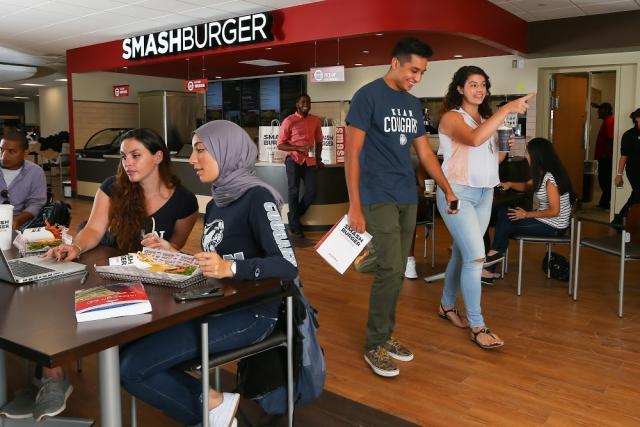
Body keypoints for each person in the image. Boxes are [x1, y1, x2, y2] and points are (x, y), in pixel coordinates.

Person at [119, 120, 299, 427]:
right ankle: (215, 405)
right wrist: (174, 254)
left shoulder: (258, 197)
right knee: (125, 348)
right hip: (216, 304)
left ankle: (214, 413)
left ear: (226, 152)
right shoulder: (217, 202)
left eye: (201, 150)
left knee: (132, 368)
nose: (191, 159)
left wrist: (231, 268)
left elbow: (287, 265)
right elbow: (214, 261)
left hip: (251, 315)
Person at [21, 128, 199, 422]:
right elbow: (93, 229)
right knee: (61, 306)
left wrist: (164, 248)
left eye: (135, 155)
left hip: (151, 284)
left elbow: (176, 248)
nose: (127, 163)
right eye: (124, 156)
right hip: (105, 271)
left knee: (127, 342)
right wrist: (75, 247)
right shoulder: (113, 187)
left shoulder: (185, 202)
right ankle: (53, 375)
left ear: (158, 157)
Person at [345, 37, 458, 378]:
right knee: (392, 269)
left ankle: (385, 332)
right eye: (413, 70)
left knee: (394, 266)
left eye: (422, 72)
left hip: (405, 195)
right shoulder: (367, 97)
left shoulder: (411, 104)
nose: (417, 77)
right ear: (395, 62)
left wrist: (447, 188)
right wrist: (354, 206)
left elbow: (424, 152)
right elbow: (352, 154)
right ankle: (374, 344)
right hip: (375, 193)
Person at [436, 65, 532, 349]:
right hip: (457, 193)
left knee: (464, 253)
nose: (480, 90)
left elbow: (493, 160)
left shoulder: (486, 118)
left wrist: (504, 146)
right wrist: (508, 109)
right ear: (460, 89)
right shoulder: (452, 118)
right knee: (477, 257)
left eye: (483, 85)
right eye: (473, 84)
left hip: (484, 193)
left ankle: (446, 305)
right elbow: (474, 139)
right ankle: (478, 326)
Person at [483, 137, 573, 280]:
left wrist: (526, 214)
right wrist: (510, 184)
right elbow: (527, 186)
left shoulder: (550, 178)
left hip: (555, 226)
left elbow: (555, 211)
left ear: (537, 155)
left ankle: (489, 262)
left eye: (527, 152)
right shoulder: (542, 173)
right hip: (547, 221)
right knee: (505, 215)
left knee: (505, 218)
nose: (525, 155)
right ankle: (490, 263)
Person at [277, 93, 323, 239]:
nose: (306, 104)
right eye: (303, 102)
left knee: (311, 191)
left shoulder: (315, 120)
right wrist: (297, 148)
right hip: (293, 160)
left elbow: (319, 141)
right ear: (297, 104)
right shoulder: (288, 121)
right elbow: (280, 144)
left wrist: (319, 158)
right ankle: (295, 226)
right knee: (294, 191)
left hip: (309, 161)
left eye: (308, 102)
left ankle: (293, 216)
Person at [0, 131, 47, 230]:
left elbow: (36, 203)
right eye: (1, 150)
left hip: (22, 224)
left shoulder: (35, 172)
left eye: (11, 151)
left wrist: (18, 220)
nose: (3, 156)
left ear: (25, 153)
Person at [613, 107, 640, 225]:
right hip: (634, 170)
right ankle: (620, 220)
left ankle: (622, 221)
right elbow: (624, 156)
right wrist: (619, 174)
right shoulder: (629, 135)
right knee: (638, 193)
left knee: (637, 195)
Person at [595, 102, 614, 209]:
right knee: (603, 179)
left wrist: (605, 154)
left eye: (600, 110)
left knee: (604, 179)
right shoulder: (607, 121)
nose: (598, 112)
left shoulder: (609, 121)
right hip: (604, 156)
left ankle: (605, 203)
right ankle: (604, 202)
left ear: (606, 110)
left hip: (606, 157)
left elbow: (610, 139)